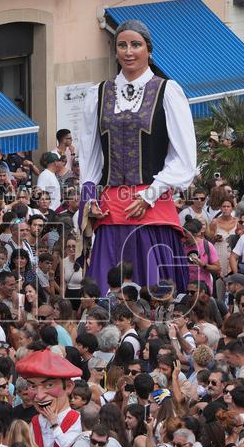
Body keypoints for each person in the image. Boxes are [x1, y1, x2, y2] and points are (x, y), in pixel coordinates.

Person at [76, 19, 196, 293]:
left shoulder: (167, 91)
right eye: (122, 45)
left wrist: (150, 195)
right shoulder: (98, 93)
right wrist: (89, 198)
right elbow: (90, 155)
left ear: (148, 50)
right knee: (105, 290)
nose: (129, 52)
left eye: (135, 45)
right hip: (111, 206)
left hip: (151, 204)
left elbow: (185, 158)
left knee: (152, 289)